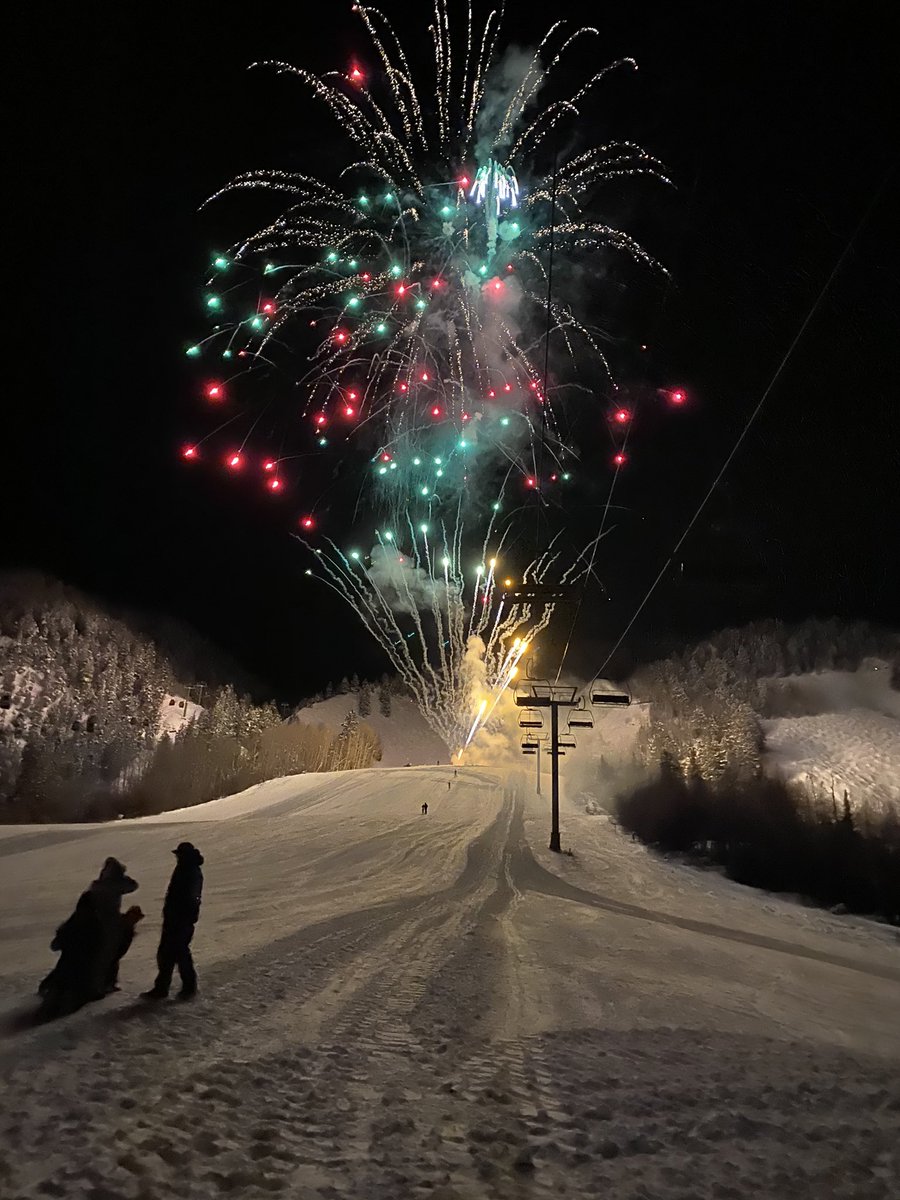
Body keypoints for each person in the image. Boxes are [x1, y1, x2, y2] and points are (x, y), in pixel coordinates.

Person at [142, 842, 204, 1001]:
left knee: (180, 952)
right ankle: (162, 987)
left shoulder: (191, 871)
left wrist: (186, 916)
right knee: (167, 953)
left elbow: (192, 897)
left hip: (181, 919)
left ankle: (188, 986)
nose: (177, 857)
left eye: (179, 854)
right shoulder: (183, 868)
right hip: (174, 918)